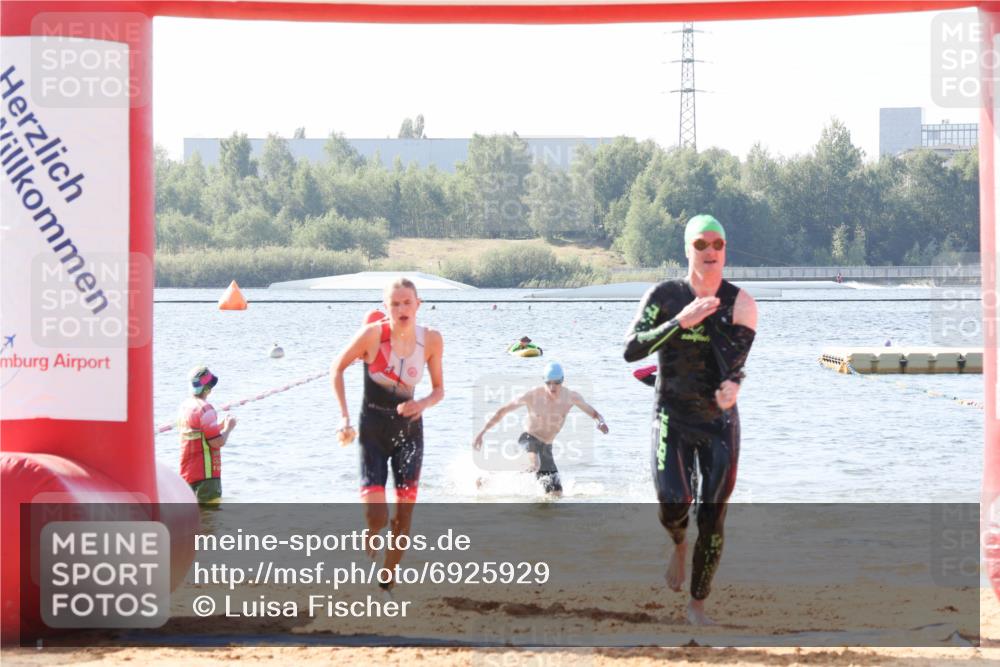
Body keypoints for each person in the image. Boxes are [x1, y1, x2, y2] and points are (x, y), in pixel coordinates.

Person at [623, 214, 758, 626]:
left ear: (725, 250)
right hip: (671, 416)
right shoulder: (664, 295)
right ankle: (678, 542)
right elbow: (631, 350)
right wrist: (681, 321)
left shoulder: (742, 304)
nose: (711, 252)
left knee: (713, 515)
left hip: (718, 423)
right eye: (701, 244)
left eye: (718, 244)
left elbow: (734, 367)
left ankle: (697, 605)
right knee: (673, 505)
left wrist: (732, 386)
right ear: (688, 250)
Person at [331, 278, 444, 591]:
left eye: (407, 302)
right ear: (386, 308)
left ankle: (386, 579)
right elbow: (336, 368)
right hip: (373, 430)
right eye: (395, 304)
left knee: (403, 518)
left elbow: (439, 390)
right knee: (377, 517)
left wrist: (421, 403)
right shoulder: (372, 335)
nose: (402, 309)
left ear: (418, 304)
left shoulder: (432, 340)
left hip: (410, 432)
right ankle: (371, 531)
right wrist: (343, 417)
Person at [472, 362, 608, 496]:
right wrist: (481, 433)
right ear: (544, 381)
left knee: (556, 493)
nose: (553, 387)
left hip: (546, 446)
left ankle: (490, 480)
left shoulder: (572, 397)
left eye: (556, 383)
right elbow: (503, 411)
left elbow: (595, 414)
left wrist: (601, 422)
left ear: (562, 380)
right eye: (549, 383)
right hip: (528, 438)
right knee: (535, 464)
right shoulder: (532, 396)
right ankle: (489, 478)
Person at [178, 366, 237, 505]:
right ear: (207, 388)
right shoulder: (205, 409)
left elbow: (198, 432)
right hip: (206, 476)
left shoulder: (185, 407)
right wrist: (229, 428)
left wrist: (220, 425)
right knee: (210, 519)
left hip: (187, 474)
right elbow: (216, 442)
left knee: (193, 517)